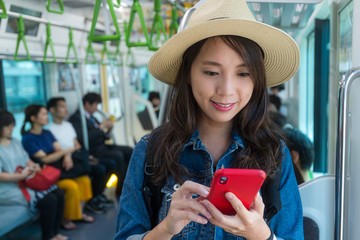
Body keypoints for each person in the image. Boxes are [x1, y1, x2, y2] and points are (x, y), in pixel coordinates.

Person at [115, 0, 303, 239]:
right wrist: (165, 229)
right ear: (189, 74)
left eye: (243, 73)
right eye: (212, 72)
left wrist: (261, 235)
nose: (226, 90)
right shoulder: (150, 150)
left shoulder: (275, 153)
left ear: (256, 80)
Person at [21, 104, 95, 230]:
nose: (46, 117)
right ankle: (65, 218)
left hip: (59, 169)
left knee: (85, 181)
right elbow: (44, 159)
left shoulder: (47, 132)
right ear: (33, 118)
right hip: (46, 174)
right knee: (71, 187)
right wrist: (66, 151)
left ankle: (78, 214)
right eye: (43, 114)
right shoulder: (28, 138)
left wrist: (66, 155)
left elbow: (58, 150)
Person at [0, 110, 67, 240]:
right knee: (49, 200)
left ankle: (56, 232)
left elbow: (26, 159)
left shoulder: (15, 142)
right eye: (7, 126)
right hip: (8, 189)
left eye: (12, 126)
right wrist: (20, 177)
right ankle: (48, 237)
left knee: (58, 193)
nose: (11, 129)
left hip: (24, 180)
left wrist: (34, 166)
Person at [47, 97, 112, 212]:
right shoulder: (50, 130)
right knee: (99, 169)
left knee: (109, 164)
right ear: (52, 110)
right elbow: (58, 150)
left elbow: (77, 145)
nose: (65, 109)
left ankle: (97, 195)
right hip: (64, 161)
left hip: (76, 158)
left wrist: (72, 153)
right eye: (62, 106)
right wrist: (68, 154)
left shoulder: (68, 125)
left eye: (66, 106)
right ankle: (92, 200)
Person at [69, 92, 133, 197]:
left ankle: (129, 183)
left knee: (129, 150)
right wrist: (101, 127)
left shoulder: (92, 118)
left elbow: (101, 135)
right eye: (95, 105)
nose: (97, 108)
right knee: (118, 156)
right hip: (94, 150)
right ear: (87, 104)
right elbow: (84, 139)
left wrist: (108, 129)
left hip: (102, 146)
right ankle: (121, 190)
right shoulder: (76, 118)